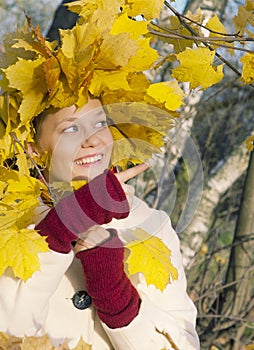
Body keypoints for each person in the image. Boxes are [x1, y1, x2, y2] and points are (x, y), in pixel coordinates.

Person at [0, 1, 200, 349]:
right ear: (33, 148)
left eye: (100, 123)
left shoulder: (150, 223)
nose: (93, 138)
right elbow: (8, 328)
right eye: (70, 129)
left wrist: (116, 296)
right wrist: (61, 226)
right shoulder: (9, 221)